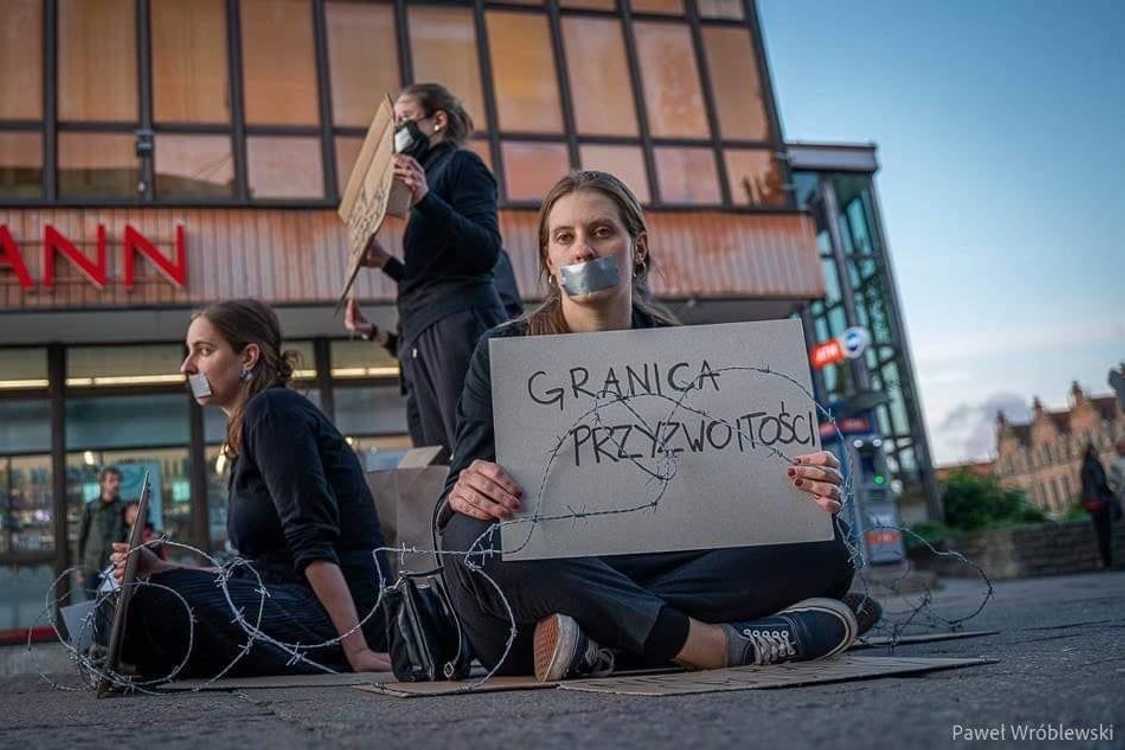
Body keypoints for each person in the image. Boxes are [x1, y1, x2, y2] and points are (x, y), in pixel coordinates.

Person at [437, 171, 859, 682]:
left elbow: (732, 487)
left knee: (822, 541)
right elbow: (451, 504)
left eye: (601, 232)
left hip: (637, 572)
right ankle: (713, 643)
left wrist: (801, 484)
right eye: (564, 237)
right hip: (553, 567)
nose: (583, 251)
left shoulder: (685, 356)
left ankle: (601, 641)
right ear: (549, 260)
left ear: (637, 248)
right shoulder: (502, 354)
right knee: (471, 540)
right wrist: (469, 489)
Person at [111, 300, 391, 678]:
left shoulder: (273, 411)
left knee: (149, 607)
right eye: (188, 352)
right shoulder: (248, 431)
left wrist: (358, 650)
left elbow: (311, 538)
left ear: (248, 357)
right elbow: (253, 573)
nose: (187, 367)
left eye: (204, 351)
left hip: (336, 617)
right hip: (287, 600)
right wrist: (164, 567)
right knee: (124, 604)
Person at [344, 82, 510, 455]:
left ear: (438, 120)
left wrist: (425, 199)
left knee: (473, 453)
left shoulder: (461, 165)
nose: (398, 130)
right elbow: (432, 276)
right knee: (438, 460)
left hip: (457, 323)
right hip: (423, 330)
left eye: (405, 119)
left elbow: (485, 250)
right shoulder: (424, 183)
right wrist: (385, 263)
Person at [77, 466, 126, 597]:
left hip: (113, 568)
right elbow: (81, 538)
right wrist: (80, 569)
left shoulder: (123, 508)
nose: (116, 484)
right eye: (111, 480)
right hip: (91, 566)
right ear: (103, 483)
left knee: (111, 609)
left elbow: (128, 538)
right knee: (91, 606)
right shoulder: (91, 507)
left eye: (118, 480)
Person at [1080, 444, 1117, 568]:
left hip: (1091, 504)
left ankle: (1104, 559)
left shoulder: (1083, 467)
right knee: (1106, 531)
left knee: (1099, 532)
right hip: (1101, 502)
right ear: (1093, 452)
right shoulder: (1095, 464)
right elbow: (1101, 482)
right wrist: (1111, 494)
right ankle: (1109, 560)